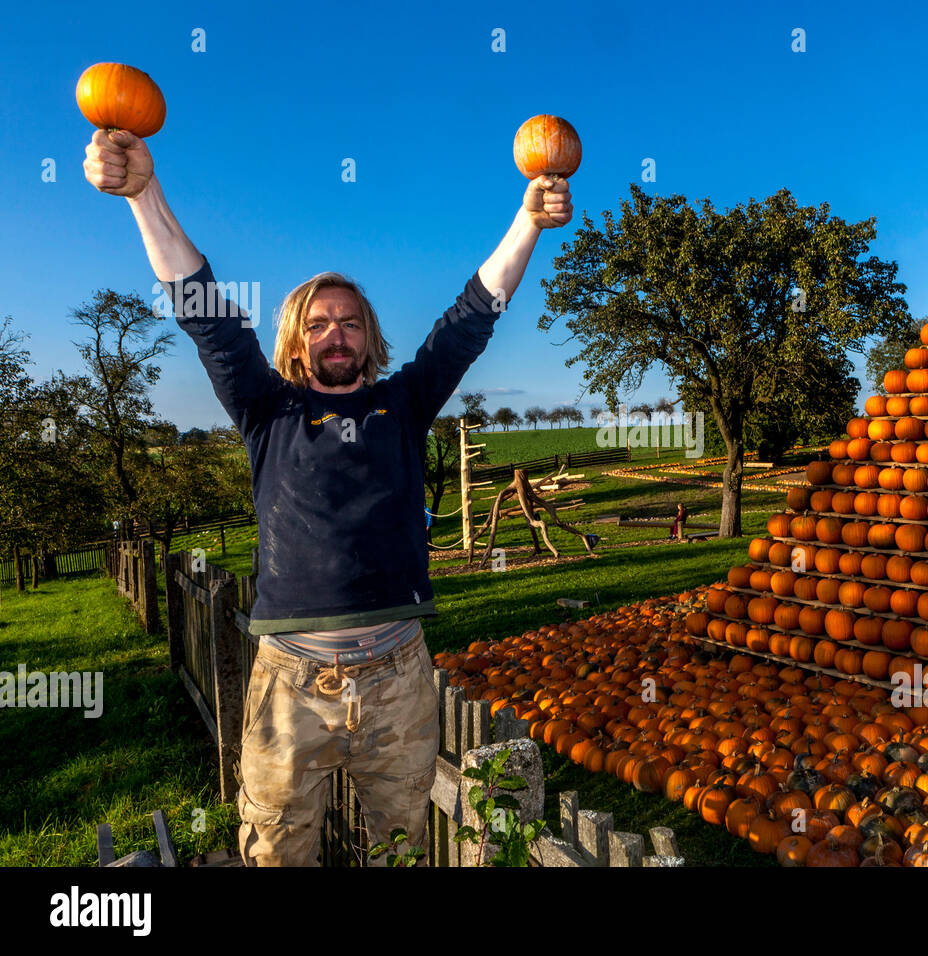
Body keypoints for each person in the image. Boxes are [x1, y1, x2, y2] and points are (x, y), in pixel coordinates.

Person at [83, 127, 572, 866]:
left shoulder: (403, 405)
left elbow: (472, 318)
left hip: (399, 679)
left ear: (369, 337)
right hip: (289, 684)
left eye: (348, 321)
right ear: (295, 342)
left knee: (400, 852)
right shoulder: (267, 410)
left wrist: (528, 221)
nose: (334, 332)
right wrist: (143, 195)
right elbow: (206, 316)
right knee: (276, 853)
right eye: (318, 323)